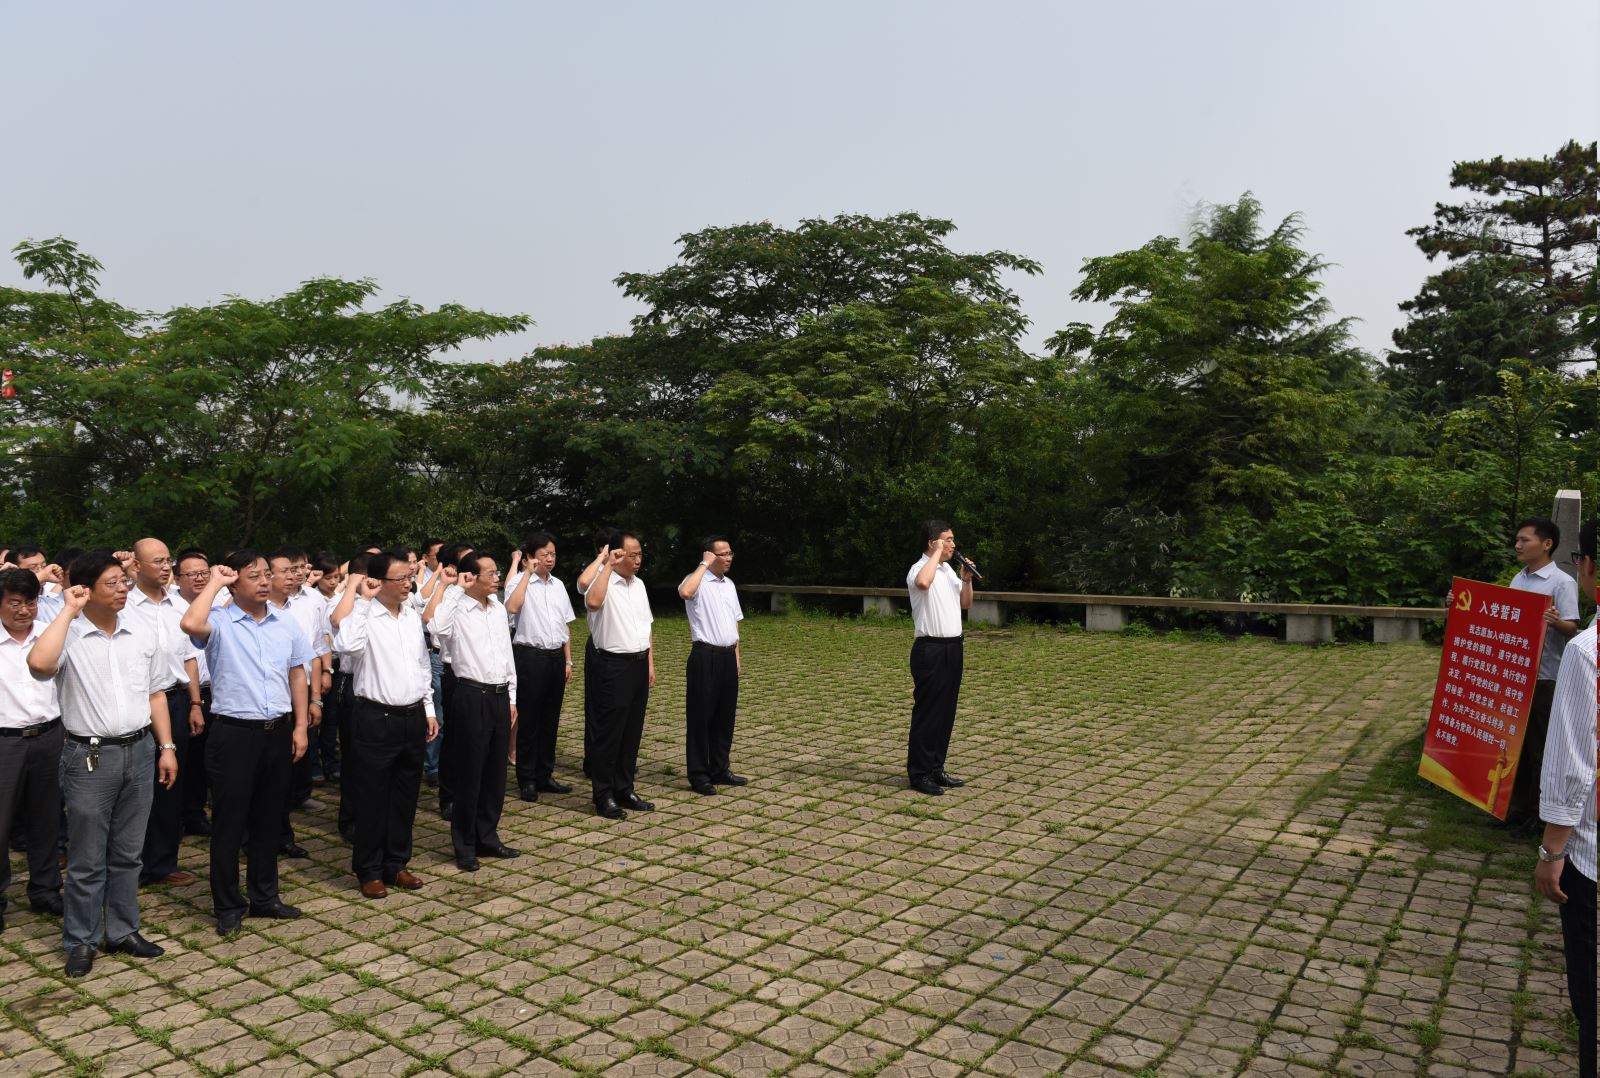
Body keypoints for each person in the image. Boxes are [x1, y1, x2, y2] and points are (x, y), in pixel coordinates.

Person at [27, 552, 178, 977]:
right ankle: (81, 939)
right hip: (89, 756)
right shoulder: (67, 634)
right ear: (86, 589)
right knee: (86, 858)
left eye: (123, 582)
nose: (122, 590)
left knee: (129, 853)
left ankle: (123, 930)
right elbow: (39, 666)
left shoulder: (141, 631)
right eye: (111, 583)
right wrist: (68, 610)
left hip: (141, 749)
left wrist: (167, 746)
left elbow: (156, 693)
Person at [180, 552, 311, 936]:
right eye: (254, 576)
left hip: (277, 732)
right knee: (229, 823)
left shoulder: (285, 622)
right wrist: (216, 583)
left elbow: (297, 674)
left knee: (269, 819)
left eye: (267, 573)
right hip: (233, 734)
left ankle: (265, 896)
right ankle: (227, 904)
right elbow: (190, 622)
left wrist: (300, 726)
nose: (265, 581)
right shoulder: (218, 622)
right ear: (234, 584)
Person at [331, 552, 438, 897]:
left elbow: (422, 665)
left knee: (405, 796)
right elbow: (346, 646)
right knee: (372, 798)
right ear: (379, 581)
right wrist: (363, 599)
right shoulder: (364, 615)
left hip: (412, 716)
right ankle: (369, 869)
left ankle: (397, 863)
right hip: (376, 717)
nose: (409, 583)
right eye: (402, 579)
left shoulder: (410, 616)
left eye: (410, 577)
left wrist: (429, 708)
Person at [1533, 518, 1596, 1078]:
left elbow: (1575, 765)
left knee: (1592, 1000)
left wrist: (1553, 852)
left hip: (1591, 858)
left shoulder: (1586, 651)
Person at [428, 553, 519, 870]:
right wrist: (455, 590)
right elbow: (435, 628)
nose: (497, 578)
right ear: (473, 577)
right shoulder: (458, 608)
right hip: (470, 694)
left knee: (495, 773)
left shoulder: (496, 609)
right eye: (492, 573)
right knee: (471, 773)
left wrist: (512, 696)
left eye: (498, 573)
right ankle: (464, 844)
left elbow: (507, 656)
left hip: (498, 695)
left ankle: (487, 836)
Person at [127, 539, 203, 888]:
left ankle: (163, 861)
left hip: (174, 701)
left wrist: (195, 703)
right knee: (138, 785)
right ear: (137, 565)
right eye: (157, 561)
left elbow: (189, 658)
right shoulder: (124, 605)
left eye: (168, 560)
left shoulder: (179, 607)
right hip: (136, 703)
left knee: (173, 783)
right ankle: (132, 863)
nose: (165, 566)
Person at [1506, 517, 1582, 827]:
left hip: (1546, 677)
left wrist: (1554, 621)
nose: (1518, 545)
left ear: (1546, 544)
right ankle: (1516, 808)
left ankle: (1540, 815)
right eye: (1517, 540)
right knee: (1517, 746)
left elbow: (1573, 628)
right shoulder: (1518, 579)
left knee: (1540, 747)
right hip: (1517, 677)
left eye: (1525, 540)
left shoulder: (1562, 582)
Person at [0, 568, 64, 930]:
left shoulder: (49, 635)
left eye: (30, 602)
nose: (24, 610)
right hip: (4, 740)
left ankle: (45, 889)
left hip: (48, 736)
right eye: (15, 603)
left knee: (47, 819)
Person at [584, 531, 655, 820]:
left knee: (631, 731)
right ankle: (603, 794)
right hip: (612, 664)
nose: (638, 560)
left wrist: (650, 662)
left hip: (638, 662)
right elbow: (592, 603)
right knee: (609, 733)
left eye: (640, 554)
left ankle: (624, 787)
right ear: (617, 554)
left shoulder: (638, 585)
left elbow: (646, 625)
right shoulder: (601, 579)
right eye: (632, 554)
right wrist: (608, 566)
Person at [505, 532, 576, 802]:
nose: (550, 558)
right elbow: (512, 607)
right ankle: (527, 779)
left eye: (553, 554)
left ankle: (545, 774)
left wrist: (567, 659)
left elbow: (564, 625)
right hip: (529, 657)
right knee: (530, 719)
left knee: (550, 719)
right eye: (544, 554)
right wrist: (526, 575)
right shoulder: (517, 583)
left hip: (555, 657)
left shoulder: (558, 585)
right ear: (530, 558)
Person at [266, 548, 327, 860]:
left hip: (299, 694)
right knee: (266, 775)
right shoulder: (252, 610)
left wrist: (315, 698)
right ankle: (258, 837)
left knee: (289, 769)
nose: (293, 576)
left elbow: (314, 654)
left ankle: (282, 834)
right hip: (267, 701)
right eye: (285, 571)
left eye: (295, 571)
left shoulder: (303, 607)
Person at [905, 520, 974, 796]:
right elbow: (923, 583)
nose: (953, 545)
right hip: (930, 649)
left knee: (946, 712)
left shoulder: (947, 571)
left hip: (953, 648)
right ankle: (919, 774)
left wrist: (966, 579)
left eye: (953, 540)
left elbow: (965, 603)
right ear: (933, 542)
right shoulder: (919, 569)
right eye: (948, 540)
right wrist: (935, 554)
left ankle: (936, 768)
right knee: (928, 713)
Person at [678, 536, 746, 795]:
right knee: (700, 718)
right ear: (709, 556)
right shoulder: (695, 581)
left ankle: (720, 768)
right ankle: (698, 774)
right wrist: (703, 566)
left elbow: (734, 622)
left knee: (724, 716)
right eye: (723, 553)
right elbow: (684, 593)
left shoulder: (729, 584)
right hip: (704, 656)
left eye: (731, 552)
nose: (729, 558)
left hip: (728, 656)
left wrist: (737, 656)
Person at [172, 548, 215, 836]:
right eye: (192, 574)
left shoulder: (220, 603)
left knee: (203, 758)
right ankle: (173, 815)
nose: (200, 578)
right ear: (177, 579)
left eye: (204, 572)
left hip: (215, 692)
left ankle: (195, 812)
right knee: (180, 756)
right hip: (181, 693)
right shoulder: (168, 608)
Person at [576, 528, 622, 779]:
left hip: (622, 651)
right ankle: (593, 761)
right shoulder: (596, 574)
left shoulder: (625, 579)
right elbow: (583, 584)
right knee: (597, 709)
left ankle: (615, 760)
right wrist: (602, 559)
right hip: (599, 648)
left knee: (617, 710)